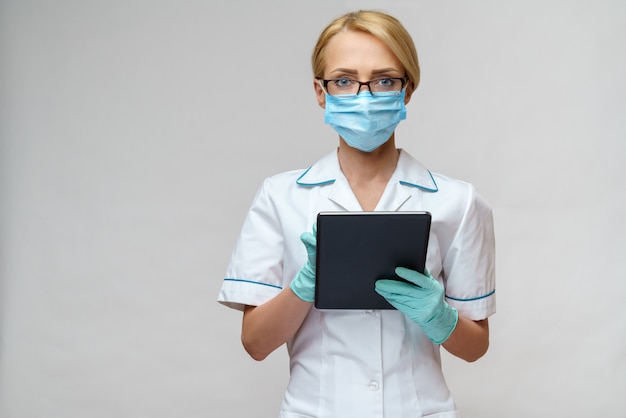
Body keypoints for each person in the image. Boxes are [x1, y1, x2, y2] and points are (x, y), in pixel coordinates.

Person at [218, 9, 495, 418]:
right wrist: (304, 286)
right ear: (320, 91)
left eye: (384, 80)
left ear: (407, 90)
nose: (364, 96)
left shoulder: (458, 202)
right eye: (344, 81)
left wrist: (440, 317)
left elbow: (476, 348)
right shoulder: (280, 197)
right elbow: (255, 344)